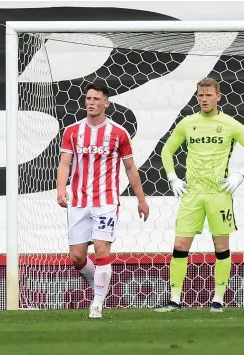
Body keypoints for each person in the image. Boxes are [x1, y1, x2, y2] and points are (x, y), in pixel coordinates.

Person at [155, 78, 244, 313]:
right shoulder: (188, 123)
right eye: (200, 95)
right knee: (180, 244)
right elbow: (166, 149)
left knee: (221, 246)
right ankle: (174, 300)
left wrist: (241, 174)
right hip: (192, 193)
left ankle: (218, 300)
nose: (203, 99)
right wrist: (173, 177)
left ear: (218, 97)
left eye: (208, 95)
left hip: (219, 193)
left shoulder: (229, 124)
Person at [57, 81, 149, 318]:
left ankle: (97, 303)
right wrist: (60, 189)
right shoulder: (72, 131)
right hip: (78, 201)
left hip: (106, 202)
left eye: (96, 99)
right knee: (76, 256)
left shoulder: (118, 133)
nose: (91, 103)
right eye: (88, 98)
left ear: (106, 104)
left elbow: (130, 169)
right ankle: (99, 285)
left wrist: (141, 199)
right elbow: (65, 163)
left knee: (101, 249)